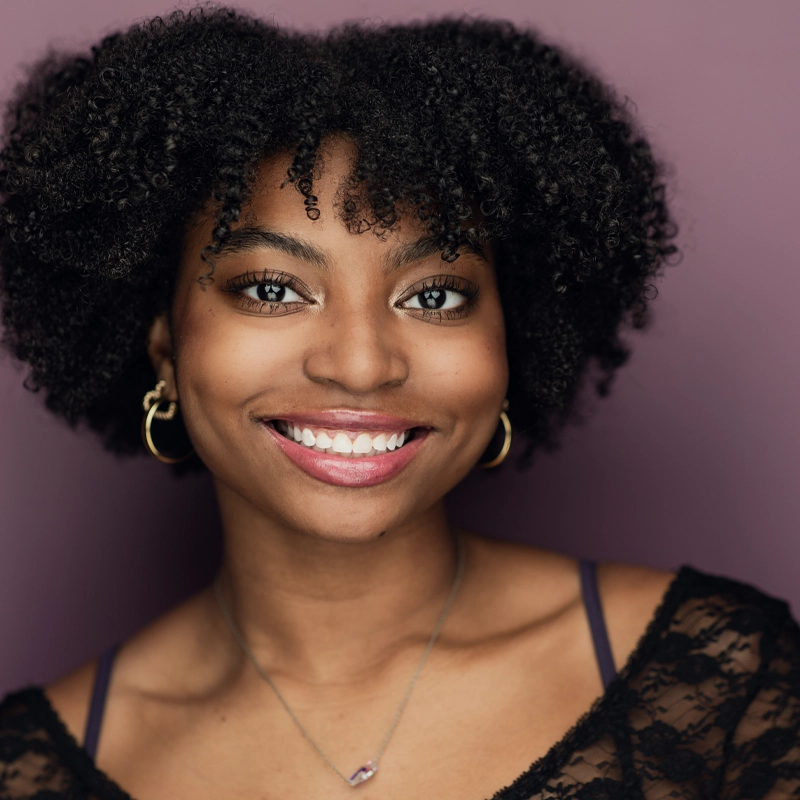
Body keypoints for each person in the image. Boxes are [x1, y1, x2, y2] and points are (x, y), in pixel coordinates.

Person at [1, 8, 798, 799]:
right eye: (275, 289)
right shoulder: (34, 768)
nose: (361, 364)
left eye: (436, 295)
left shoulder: (720, 680)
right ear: (166, 350)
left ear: (511, 343)